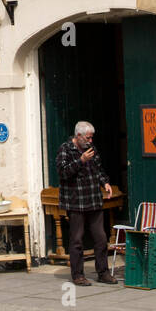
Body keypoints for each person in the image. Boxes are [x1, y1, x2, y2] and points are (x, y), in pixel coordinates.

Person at [56, 121, 117, 285]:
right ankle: (77, 275)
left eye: (92, 138)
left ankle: (103, 272)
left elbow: (98, 169)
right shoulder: (66, 149)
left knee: (101, 238)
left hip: (93, 199)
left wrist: (105, 183)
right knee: (76, 239)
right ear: (79, 136)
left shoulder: (92, 149)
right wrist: (81, 160)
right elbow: (62, 172)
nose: (90, 141)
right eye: (88, 138)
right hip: (76, 202)